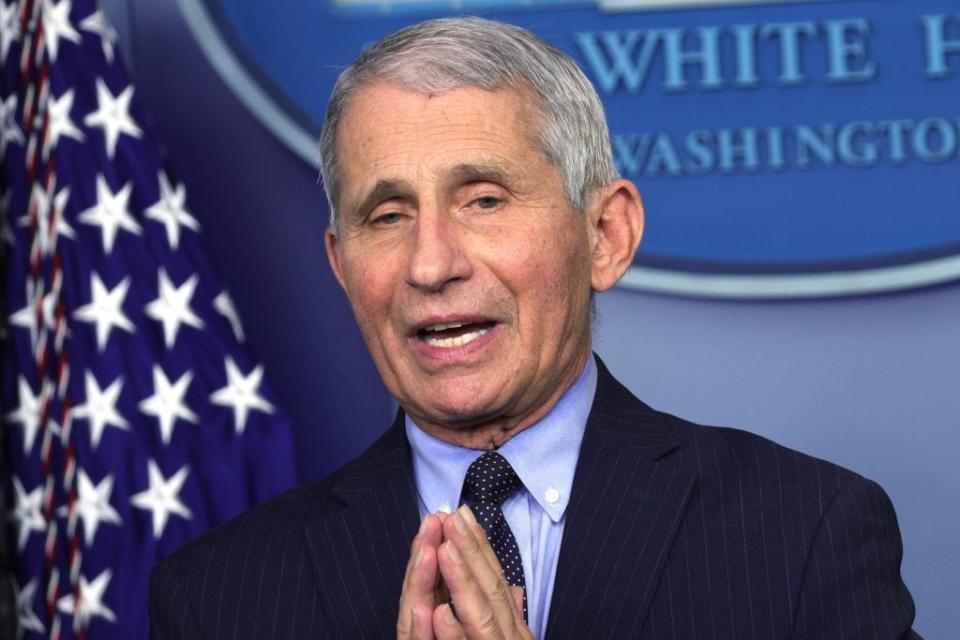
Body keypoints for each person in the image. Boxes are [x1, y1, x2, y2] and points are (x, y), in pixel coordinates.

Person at [149, 17, 918, 639]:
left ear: (606, 236)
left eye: (483, 200)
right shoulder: (218, 596)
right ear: (343, 266)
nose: (431, 264)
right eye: (387, 216)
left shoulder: (800, 534)